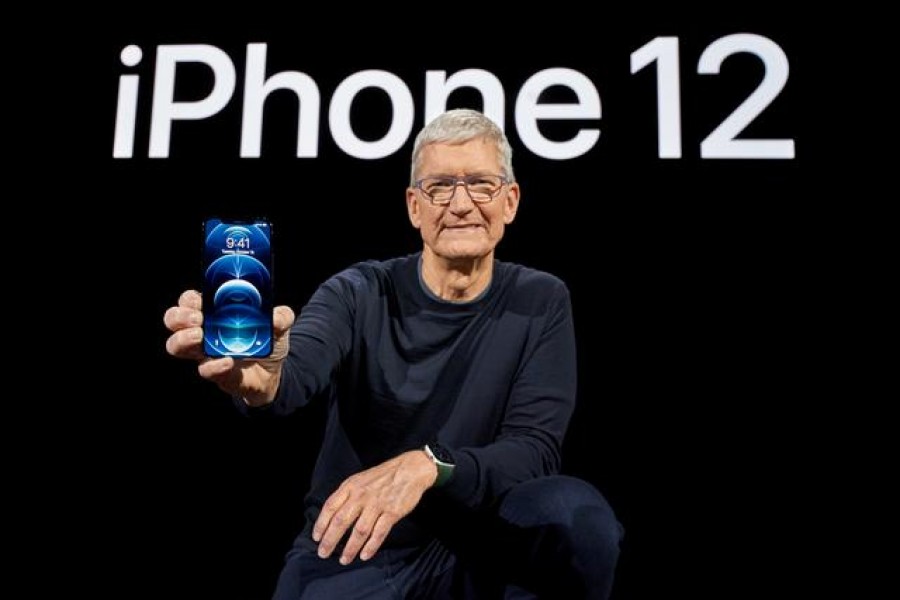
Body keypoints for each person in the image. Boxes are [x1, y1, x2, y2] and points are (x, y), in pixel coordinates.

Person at [164, 108, 623, 599]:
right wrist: (262, 377)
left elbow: (534, 450)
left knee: (574, 513)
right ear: (414, 207)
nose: (462, 204)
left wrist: (427, 466)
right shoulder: (360, 290)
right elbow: (294, 373)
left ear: (510, 201)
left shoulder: (541, 299)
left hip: (479, 549)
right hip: (359, 546)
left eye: (482, 185)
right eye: (440, 187)